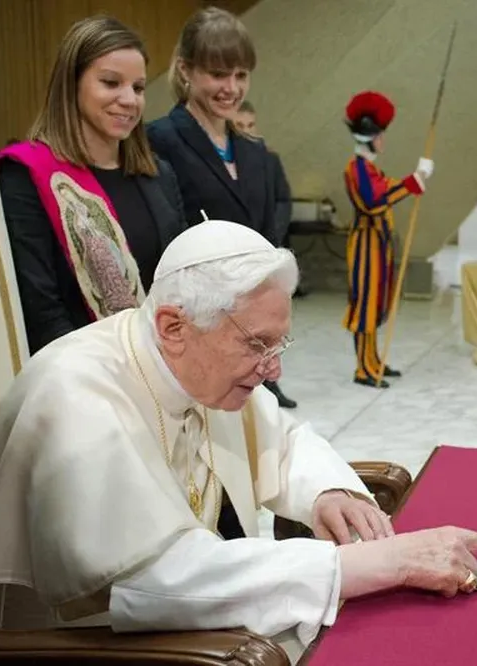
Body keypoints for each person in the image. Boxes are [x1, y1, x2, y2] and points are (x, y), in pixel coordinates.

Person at [0, 220, 477, 663]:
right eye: (257, 344)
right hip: (88, 645)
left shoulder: (191, 360)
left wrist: (327, 493)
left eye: (280, 342)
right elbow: (152, 582)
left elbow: (283, 438)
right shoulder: (76, 396)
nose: (272, 369)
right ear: (174, 326)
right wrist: (383, 564)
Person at [0, 16, 186, 355]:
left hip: (164, 364)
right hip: (80, 372)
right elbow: (39, 307)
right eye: (111, 83)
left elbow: (181, 278)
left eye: (138, 88)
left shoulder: (159, 174)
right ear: (72, 84)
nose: (129, 100)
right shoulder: (26, 175)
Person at [147, 6, 296, 408]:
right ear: (185, 70)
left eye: (241, 75)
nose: (231, 87)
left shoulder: (255, 151)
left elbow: (267, 238)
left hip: (254, 335)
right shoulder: (158, 140)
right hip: (200, 330)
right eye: (217, 74)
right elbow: (166, 238)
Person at [342, 91, 433, 389]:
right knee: (366, 306)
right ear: (369, 137)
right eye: (381, 135)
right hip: (366, 247)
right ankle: (363, 368)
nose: (384, 140)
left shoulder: (369, 168)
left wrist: (413, 181)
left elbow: (383, 189)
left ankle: (373, 360)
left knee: (376, 304)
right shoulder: (356, 169)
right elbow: (374, 199)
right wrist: (413, 181)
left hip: (378, 246)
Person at [235, 100, 308, 298]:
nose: (247, 131)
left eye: (251, 125)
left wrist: (272, 235)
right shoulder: (225, 162)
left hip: (268, 243)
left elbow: (283, 200)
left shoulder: (269, 159)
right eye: (240, 126)